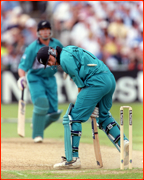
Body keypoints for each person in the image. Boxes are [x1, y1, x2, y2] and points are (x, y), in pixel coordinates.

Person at [36, 45, 129, 169]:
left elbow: (81, 85)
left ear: (52, 52)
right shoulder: (68, 50)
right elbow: (82, 64)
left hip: (96, 82)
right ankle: (123, 143)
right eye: (47, 64)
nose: (51, 64)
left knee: (72, 117)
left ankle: (72, 159)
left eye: (49, 60)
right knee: (103, 116)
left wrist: (86, 106)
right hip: (109, 79)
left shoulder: (64, 60)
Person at [17, 20, 63, 143]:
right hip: (35, 78)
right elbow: (22, 67)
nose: (45, 32)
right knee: (41, 103)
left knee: (54, 113)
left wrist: (68, 71)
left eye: (47, 29)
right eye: (42, 30)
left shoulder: (57, 44)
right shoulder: (32, 47)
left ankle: (37, 124)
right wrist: (22, 78)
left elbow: (65, 59)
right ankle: (37, 134)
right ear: (38, 32)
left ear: (50, 31)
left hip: (51, 78)